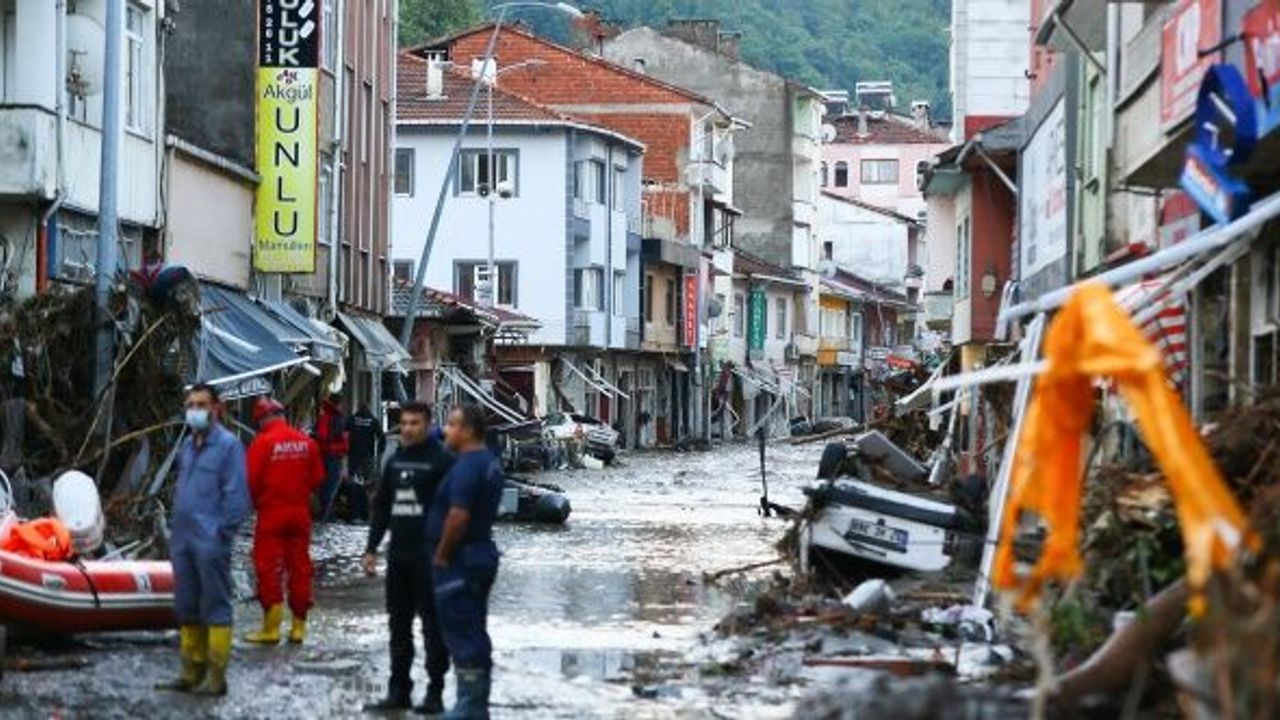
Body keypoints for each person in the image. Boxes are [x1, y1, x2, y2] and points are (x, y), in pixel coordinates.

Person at [362, 402, 456, 713]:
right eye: (403, 423)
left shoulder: (442, 460)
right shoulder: (396, 460)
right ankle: (398, 690)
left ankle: (435, 691)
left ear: (428, 425)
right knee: (398, 625)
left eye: (415, 423)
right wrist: (371, 549)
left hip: (431, 559)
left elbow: (456, 512)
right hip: (399, 557)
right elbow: (383, 508)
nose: (408, 429)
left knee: (433, 627)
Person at [158, 383, 250, 696]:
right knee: (186, 606)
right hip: (183, 539)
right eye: (191, 405)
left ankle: (216, 676)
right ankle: (190, 672)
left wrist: (220, 534)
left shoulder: (228, 446)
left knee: (216, 605)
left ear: (216, 409)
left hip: (210, 541)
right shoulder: (187, 447)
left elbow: (238, 498)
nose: (195, 411)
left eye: (201, 404)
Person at [429, 406, 505, 719]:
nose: (447, 430)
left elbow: (458, 516)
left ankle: (470, 706)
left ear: (470, 431)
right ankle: (474, 703)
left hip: (463, 558)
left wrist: (442, 553)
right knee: (474, 626)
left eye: (453, 425)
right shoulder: (488, 462)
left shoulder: (468, 466)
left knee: (462, 627)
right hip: (480, 553)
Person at [243, 397, 325, 645]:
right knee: (300, 567)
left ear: (262, 420)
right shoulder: (306, 442)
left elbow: (251, 482)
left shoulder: (262, 443)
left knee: (268, 567)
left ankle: (271, 628)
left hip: (271, 514)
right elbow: (317, 477)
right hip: (299, 514)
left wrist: (260, 502)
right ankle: (299, 627)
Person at [345, 402, 384, 523]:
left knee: (353, 484)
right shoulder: (373, 420)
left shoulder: (352, 419)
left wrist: (345, 451)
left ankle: (354, 513)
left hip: (353, 456)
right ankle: (368, 514)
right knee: (369, 485)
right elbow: (381, 438)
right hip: (368, 457)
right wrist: (379, 454)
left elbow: (343, 433)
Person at [314, 394, 349, 521]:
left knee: (324, 485)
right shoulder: (337, 419)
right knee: (330, 486)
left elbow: (319, 437)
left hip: (324, 456)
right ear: (339, 404)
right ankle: (324, 514)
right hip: (333, 457)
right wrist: (338, 447)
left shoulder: (324, 417)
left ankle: (323, 513)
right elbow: (341, 442)